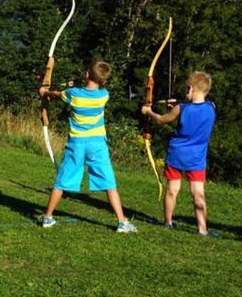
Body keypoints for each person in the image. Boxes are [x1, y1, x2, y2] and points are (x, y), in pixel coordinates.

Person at [39, 61, 137, 233]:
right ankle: (122, 222)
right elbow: (88, 91)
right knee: (109, 182)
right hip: (97, 145)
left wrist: (45, 92)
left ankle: (47, 217)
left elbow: (56, 94)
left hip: (76, 144)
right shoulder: (104, 95)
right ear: (103, 81)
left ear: (86, 74)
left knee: (62, 181)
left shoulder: (72, 94)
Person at [142, 71, 216, 236]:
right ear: (207, 90)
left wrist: (148, 112)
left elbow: (161, 119)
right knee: (198, 192)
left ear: (190, 88)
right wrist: (180, 104)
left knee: (172, 189)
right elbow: (196, 106)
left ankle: (168, 222)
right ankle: (202, 229)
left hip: (177, 154)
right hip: (196, 158)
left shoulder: (180, 109)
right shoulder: (212, 107)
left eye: (186, 89)